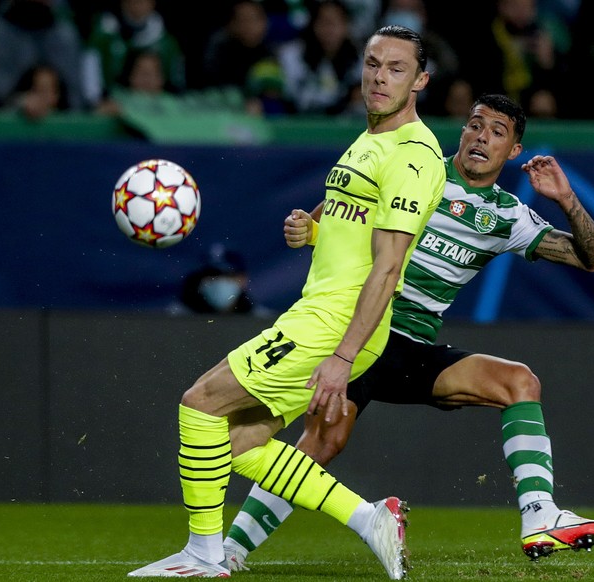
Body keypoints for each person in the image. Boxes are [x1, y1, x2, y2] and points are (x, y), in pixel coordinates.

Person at [222, 94, 594, 569]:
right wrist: (306, 229)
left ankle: (540, 516)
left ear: (513, 151)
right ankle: (230, 551)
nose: (481, 137)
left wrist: (566, 199)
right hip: (362, 333)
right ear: (462, 131)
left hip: (411, 348)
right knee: (322, 441)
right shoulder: (418, 169)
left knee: (520, 382)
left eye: (497, 132)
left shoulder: (508, 216)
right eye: (475, 125)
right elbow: (333, 216)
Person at [127, 24, 446, 579]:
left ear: (420, 79)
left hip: (336, 322)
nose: (379, 77)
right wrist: (314, 232)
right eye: (372, 63)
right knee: (236, 441)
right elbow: (357, 233)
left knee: (199, 403)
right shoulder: (370, 139)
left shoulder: (414, 155)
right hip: (323, 310)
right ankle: (370, 518)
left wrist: (343, 358)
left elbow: (390, 264)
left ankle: (205, 556)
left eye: (396, 68)